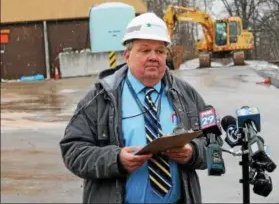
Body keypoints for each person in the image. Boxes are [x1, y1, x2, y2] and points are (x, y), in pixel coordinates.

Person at [59, 12, 215, 204]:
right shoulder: (100, 98)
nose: (153, 57)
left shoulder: (187, 95)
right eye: (144, 50)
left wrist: (193, 152)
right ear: (127, 55)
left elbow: (213, 140)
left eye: (159, 51)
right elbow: (72, 150)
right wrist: (115, 160)